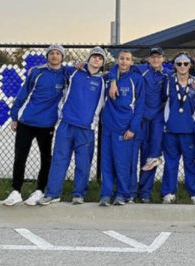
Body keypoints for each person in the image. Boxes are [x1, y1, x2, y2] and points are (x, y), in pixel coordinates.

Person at [37, 47, 108, 206]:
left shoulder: (104, 80)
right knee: (59, 160)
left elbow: (123, 70)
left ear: (103, 63)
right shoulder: (74, 73)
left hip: (86, 128)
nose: (97, 59)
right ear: (88, 59)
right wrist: (76, 63)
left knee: (83, 163)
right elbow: (58, 66)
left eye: (100, 58)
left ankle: (79, 193)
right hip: (66, 124)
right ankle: (52, 193)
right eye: (94, 56)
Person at [2, 44, 69, 206]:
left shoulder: (66, 75)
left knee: (46, 158)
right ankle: (16, 190)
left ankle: (40, 189)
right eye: (51, 53)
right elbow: (23, 94)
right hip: (26, 121)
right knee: (20, 157)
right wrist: (14, 117)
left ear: (62, 57)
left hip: (47, 124)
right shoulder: (37, 72)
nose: (54, 56)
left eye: (58, 53)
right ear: (47, 56)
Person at [110, 46, 169, 203]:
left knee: (151, 157)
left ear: (163, 59)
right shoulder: (140, 69)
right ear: (149, 59)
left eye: (159, 57)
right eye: (153, 57)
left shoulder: (167, 74)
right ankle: (129, 191)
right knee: (132, 155)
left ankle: (145, 192)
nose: (155, 59)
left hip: (156, 119)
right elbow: (118, 66)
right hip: (139, 119)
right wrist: (113, 80)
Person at [100, 50, 146, 206]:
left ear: (132, 62)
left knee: (122, 164)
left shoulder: (136, 79)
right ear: (117, 60)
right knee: (106, 162)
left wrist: (133, 128)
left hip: (124, 127)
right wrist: (112, 80)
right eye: (122, 58)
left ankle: (122, 194)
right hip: (108, 126)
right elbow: (95, 73)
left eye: (127, 59)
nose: (124, 62)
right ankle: (106, 194)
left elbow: (139, 107)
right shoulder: (109, 77)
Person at [159, 53, 195, 204]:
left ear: (190, 65)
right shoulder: (168, 82)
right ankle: (168, 192)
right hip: (171, 130)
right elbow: (162, 100)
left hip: (189, 130)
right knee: (170, 163)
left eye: (185, 63)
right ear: (174, 66)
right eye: (178, 63)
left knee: (191, 163)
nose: (182, 66)